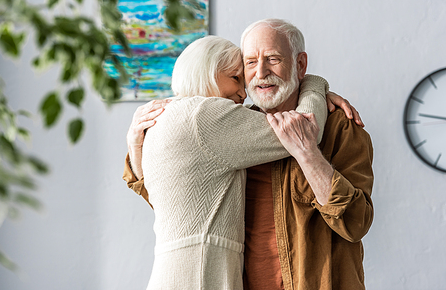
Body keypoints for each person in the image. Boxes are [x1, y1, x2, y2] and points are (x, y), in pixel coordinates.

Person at [123, 32, 364, 289]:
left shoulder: (171, 118)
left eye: (273, 59)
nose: (243, 92)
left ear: (298, 63)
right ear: (206, 72)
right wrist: (315, 84)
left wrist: (134, 146)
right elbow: (304, 129)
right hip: (203, 275)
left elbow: (180, 200)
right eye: (236, 76)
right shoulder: (207, 116)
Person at [239, 19, 374, 290]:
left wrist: (307, 153)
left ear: (300, 65)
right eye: (251, 62)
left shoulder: (341, 127)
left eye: (273, 59)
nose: (261, 72)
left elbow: (355, 223)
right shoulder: (234, 131)